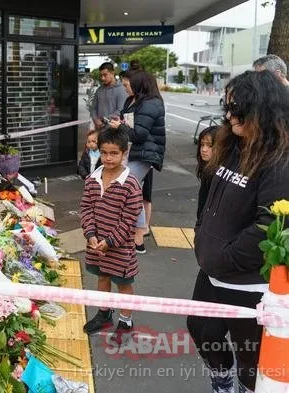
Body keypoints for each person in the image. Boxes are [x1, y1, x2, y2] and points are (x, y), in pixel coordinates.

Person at [187, 71, 289, 393]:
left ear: (264, 111)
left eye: (239, 109)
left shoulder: (279, 161)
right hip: (212, 270)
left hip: (247, 282)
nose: (230, 116)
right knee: (202, 331)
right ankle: (222, 381)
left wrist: (225, 256)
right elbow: (208, 198)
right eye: (228, 107)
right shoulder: (232, 144)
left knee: (251, 357)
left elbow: (269, 225)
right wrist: (202, 233)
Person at [80, 129, 143, 341]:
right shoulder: (92, 179)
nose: (108, 158)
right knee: (102, 276)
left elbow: (129, 219)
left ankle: (126, 321)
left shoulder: (131, 184)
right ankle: (104, 313)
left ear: (124, 152)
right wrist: (90, 235)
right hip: (97, 244)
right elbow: (86, 208)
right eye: (104, 152)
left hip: (120, 247)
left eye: (114, 153)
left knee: (124, 283)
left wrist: (111, 241)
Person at [108, 70, 166, 254]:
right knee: (132, 190)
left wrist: (120, 126)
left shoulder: (151, 104)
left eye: (127, 85)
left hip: (145, 154)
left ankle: (139, 235)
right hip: (132, 152)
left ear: (139, 84)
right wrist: (120, 123)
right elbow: (131, 125)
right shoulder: (132, 100)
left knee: (128, 186)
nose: (125, 88)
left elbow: (139, 134)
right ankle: (136, 235)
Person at [90, 62, 128, 131]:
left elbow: (121, 110)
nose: (102, 78)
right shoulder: (99, 89)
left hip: (113, 131)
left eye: (105, 75)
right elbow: (93, 108)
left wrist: (103, 119)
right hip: (99, 129)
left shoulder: (122, 89)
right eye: (101, 75)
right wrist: (96, 120)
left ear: (113, 73)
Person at [195, 126, 218, 219]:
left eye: (210, 145)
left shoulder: (218, 173)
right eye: (202, 144)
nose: (204, 150)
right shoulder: (206, 168)